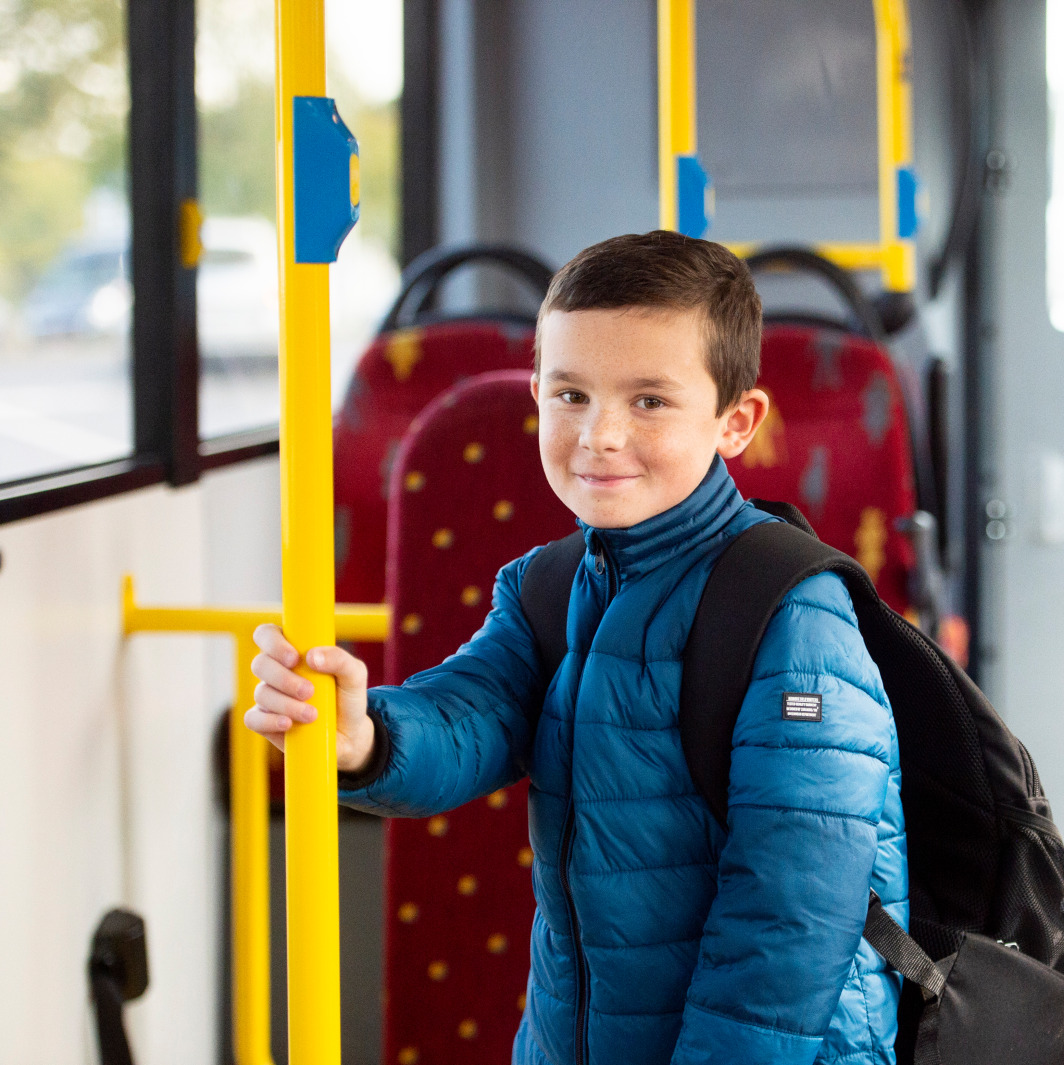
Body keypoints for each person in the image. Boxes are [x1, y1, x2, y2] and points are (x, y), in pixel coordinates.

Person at [245, 230, 908, 1065]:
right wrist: (369, 734)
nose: (598, 434)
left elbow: (794, 915)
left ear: (736, 422)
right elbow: (474, 710)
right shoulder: (549, 586)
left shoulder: (792, 613)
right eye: (570, 395)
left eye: (649, 401)